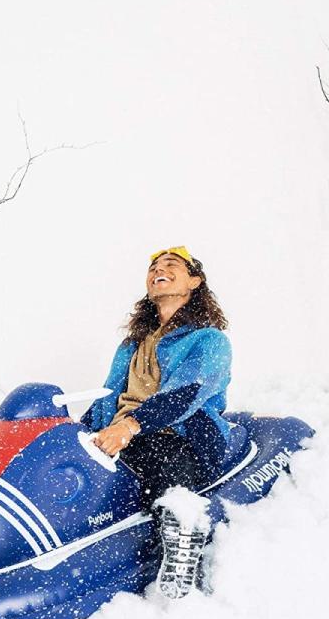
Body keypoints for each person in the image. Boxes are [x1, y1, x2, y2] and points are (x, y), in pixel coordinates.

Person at [82, 246, 231, 598]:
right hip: (124, 438)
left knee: (161, 451)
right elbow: (107, 398)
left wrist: (130, 426)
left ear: (194, 281)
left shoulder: (209, 340)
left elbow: (185, 394)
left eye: (171, 264)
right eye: (153, 267)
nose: (158, 270)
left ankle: (183, 536)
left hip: (178, 435)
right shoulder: (131, 345)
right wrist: (78, 432)